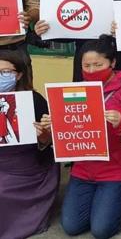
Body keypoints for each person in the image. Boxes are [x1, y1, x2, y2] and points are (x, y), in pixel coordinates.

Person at [60, 35, 121, 239]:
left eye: (98, 65)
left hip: (117, 168)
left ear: (113, 62)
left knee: (101, 230)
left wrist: (120, 123)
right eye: (86, 65)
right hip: (84, 167)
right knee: (72, 226)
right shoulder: (75, 91)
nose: (91, 71)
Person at [0, 50, 59, 239]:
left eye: (5, 72)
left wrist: (42, 135)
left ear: (19, 74)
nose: (0, 77)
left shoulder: (34, 100)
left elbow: (48, 143)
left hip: (27, 166)